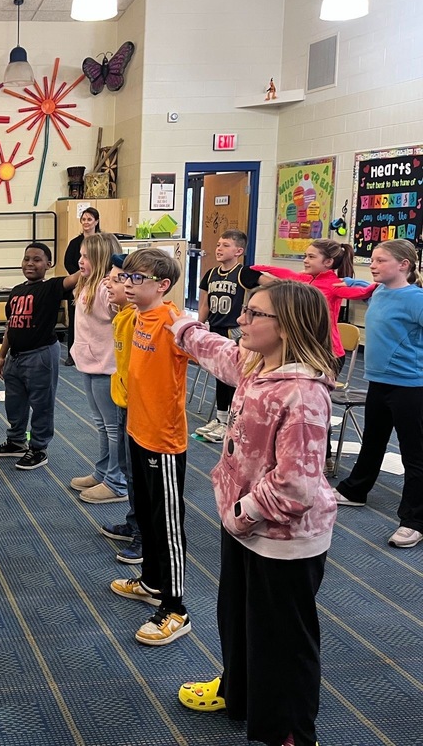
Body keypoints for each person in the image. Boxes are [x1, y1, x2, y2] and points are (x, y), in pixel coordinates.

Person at [171, 281, 337, 746]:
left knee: (282, 641)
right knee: (239, 618)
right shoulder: (256, 363)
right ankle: (239, 693)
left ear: (286, 327)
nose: (241, 320)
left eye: (254, 314)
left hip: (282, 538)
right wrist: (180, 325)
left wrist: (245, 511)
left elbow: (296, 486)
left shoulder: (302, 394)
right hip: (243, 523)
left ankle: (290, 732)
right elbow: (216, 351)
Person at [109, 248, 193, 646]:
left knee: (167, 525)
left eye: (137, 278)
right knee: (144, 513)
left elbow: (202, 347)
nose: (128, 284)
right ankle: (152, 583)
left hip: (164, 440)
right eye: (126, 276)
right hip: (138, 431)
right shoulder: (138, 315)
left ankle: (176, 608)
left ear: (162, 285)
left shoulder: (173, 322)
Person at [254, 239, 376, 472]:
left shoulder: (333, 284)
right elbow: (286, 274)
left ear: (328, 262)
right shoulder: (303, 279)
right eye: (305, 255)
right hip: (303, 350)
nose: (305, 260)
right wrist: (258, 268)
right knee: (294, 404)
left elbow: (358, 292)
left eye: (311, 257)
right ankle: (289, 454)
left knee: (316, 407)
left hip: (327, 354)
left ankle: (323, 457)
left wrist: (376, 287)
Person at [334, 239, 423, 548]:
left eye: (381, 260)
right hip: (378, 382)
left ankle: (414, 520)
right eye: (372, 259)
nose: (373, 265)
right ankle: (355, 490)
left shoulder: (416, 299)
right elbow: (354, 284)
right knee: (373, 440)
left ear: (403, 265)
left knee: (415, 454)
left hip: (410, 387)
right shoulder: (379, 291)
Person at [0, 242, 83, 470]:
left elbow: (77, 277)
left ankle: (39, 448)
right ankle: (16, 441)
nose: (30, 263)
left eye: (37, 260)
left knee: (41, 404)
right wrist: (2, 356)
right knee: (14, 403)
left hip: (40, 355)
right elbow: (11, 326)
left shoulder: (51, 287)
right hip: (16, 357)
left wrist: (92, 254)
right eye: (26, 259)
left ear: (48, 264)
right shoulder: (16, 291)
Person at [70, 233, 128, 500]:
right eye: (80, 256)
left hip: (108, 368)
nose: (80, 261)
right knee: (102, 425)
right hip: (90, 364)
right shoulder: (88, 285)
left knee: (113, 428)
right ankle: (103, 471)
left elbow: (124, 316)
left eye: (86, 257)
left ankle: (117, 481)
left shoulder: (107, 289)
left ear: (101, 258)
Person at [195, 230, 263, 442]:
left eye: (225, 245)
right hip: (215, 329)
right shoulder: (210, 274)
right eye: (218, 244)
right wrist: (199, 326)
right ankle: (221, 418)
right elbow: (204, 304)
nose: (219, 249)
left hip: (234, 332)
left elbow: (275, 283)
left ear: (238, 251)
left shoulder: (244, 273)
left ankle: (231, 421)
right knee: (220, 376)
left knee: (233, 378)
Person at [98, 253, 142, 565]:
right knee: (128, 470)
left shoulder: (141, 318)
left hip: (141, 409)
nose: (108, 284)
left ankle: (144, 536)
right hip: (125, 402)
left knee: (140, 476)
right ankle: (134, 522)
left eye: (115, 279)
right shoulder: (124, 315)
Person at [63, 207, 101, 366]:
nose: (86, 222)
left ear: (96, 222)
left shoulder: (102, 241)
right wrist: (81, 276)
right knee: (76, 320)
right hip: (78, 284)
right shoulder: (75, 243)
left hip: (97, 282)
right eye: (84, 219)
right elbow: (68, 263)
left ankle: (96, 353)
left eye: (89, 219)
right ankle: (72, 354)